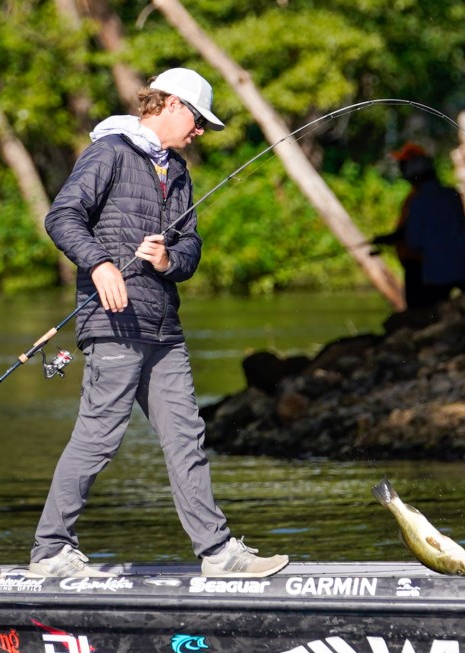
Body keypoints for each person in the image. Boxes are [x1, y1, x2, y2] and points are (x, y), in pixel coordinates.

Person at [29, 67, 289, 580]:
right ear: (170, 105)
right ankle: (51, 552)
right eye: (198, 119)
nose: (201, 131)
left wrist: (168, 260)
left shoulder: (179, 172)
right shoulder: (109, 153)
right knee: (100, 435)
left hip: (163, 326)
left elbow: (190, 248)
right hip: (112, 321)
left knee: (187, 437)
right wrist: (100, 264)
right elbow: (62, 216)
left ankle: (218, 554)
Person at [373, 142, 465, 310]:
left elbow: (414, 242)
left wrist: (397, 238)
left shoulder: (418, 202)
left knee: (423, 310)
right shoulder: (452, 195)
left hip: (437, 274)